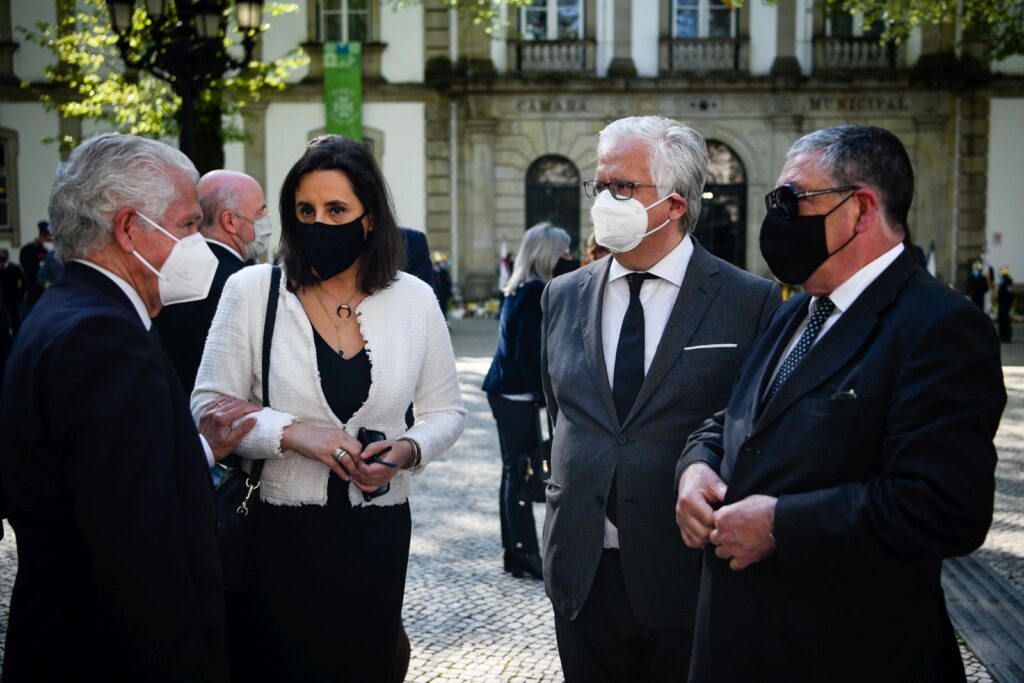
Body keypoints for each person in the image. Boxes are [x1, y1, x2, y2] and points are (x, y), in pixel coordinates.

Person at [675, 125, 1007, 682]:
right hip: (735, 647)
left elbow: (946, 507)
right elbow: (735, 418)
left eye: (793, 200)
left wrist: (782, 524)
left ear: (860, 209)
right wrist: (697, 467)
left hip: (846, 655)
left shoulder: (940, 327)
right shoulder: (796, 311)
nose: (777, 218)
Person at [192, 134, 466, 681]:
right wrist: (295, 434)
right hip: (275, 534)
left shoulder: (413, 298)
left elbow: (447, 411)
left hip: (376, 536)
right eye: (305, 210)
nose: (319, 223)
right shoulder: (252, 291)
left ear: (369, 219)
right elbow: (207, 406)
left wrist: (408, 449)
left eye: (336, 209)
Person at [0, 133, 258, 681]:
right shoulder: (103, 338)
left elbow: (102, 475)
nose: (198, 241)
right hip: (103, 652)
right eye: (189, 224)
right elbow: (139, 545)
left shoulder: (68, 309)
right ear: (128, 228)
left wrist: (197, 449)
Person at [540, 115, 780, 681]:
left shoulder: (750, 302)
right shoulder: (562, 295)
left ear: (674, 204)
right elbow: (562, 413)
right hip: (581, 571)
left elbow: (752, 431)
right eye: (599, 186)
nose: (604, 201)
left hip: (687, 573)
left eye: (622, 188)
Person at [483, 222, 571, 580]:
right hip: (514, 391)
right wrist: (548, 398)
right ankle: (522, 552)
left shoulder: (519, 287)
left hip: (507, 391)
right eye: (564, 251)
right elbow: (529, 355)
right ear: (549, 254)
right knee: (520, 472)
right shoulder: (535, 292)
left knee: (514, 471)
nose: (569, 257)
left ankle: (516, 552)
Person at [153, 169, 272, 393]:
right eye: (261, 211)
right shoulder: (238, 282)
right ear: (230, 221)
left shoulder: (172, 269)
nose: (266, 218)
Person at [19, 220, 50, 309]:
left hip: (48, 292)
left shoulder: (50, 250)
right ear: (40, 234)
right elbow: (29, 270)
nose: (47, 238)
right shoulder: (28, 249)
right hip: (34, 290)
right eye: (44, 235)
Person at [0, 247, 23, 333]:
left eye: (3, 255)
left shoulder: (15, 268)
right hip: (2, 297)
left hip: (14, 297)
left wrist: (21, 294)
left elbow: (23, 281)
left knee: (15, 318)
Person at [998, 266, 1014, 342]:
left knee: (1005, 321)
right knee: (1001, 320)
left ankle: (1006, 336)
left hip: (1005, 305)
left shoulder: (1008, 282)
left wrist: (1007, 305)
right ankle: (1002, 335)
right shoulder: (1004, 282)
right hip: (1001, 305)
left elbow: (1009, 295)